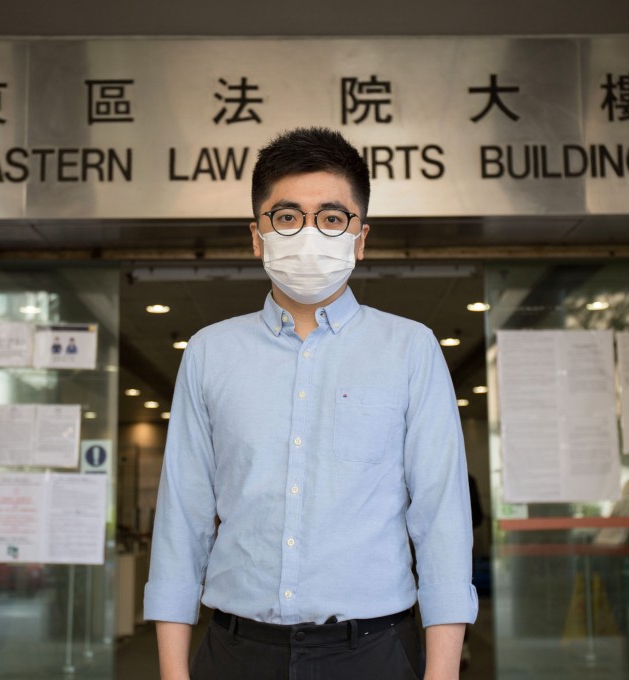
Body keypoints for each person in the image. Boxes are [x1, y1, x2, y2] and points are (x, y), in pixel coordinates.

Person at [145, 127, 478, 680]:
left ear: (360, 237)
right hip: (234, 651)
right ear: (257, 236)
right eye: (287, 216)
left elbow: (441, 519)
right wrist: (174, 673)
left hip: (372, 651)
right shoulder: (209, 352)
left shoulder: (410, 349)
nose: (308, 233)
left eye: (331, 217)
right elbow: (182, 519)